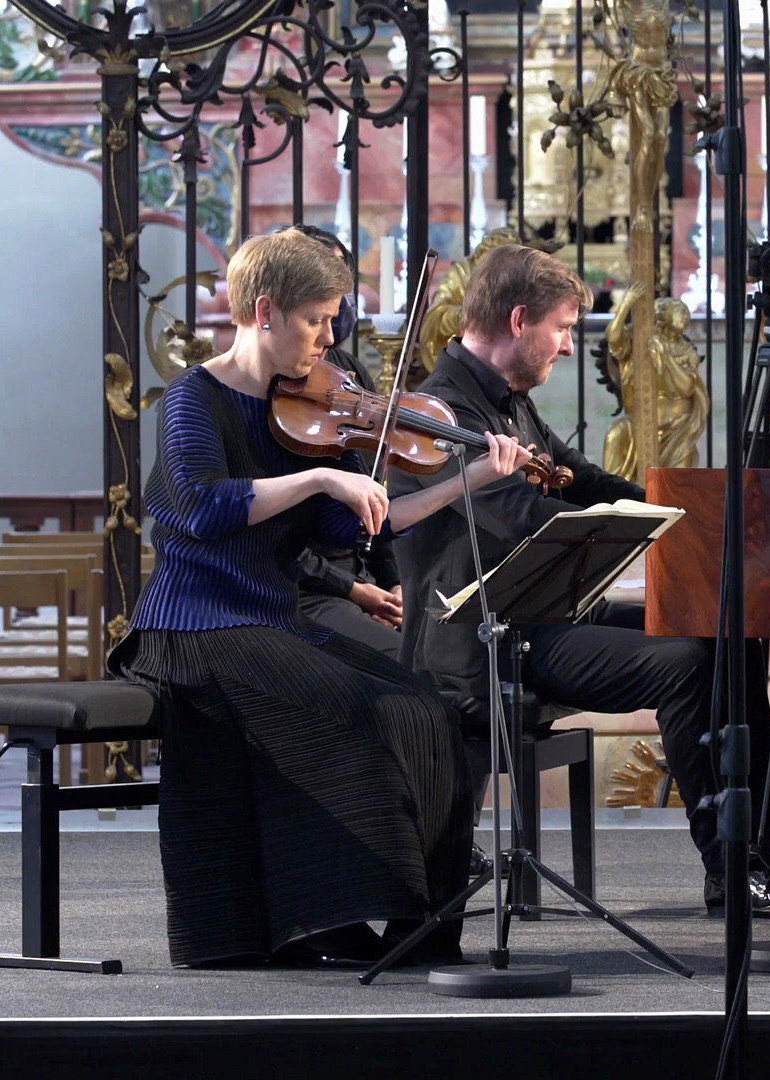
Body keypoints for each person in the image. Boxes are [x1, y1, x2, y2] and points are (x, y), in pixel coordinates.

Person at [109, 228, 530, 968]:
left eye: (333, 320)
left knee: (427, 710)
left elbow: (353, 524)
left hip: (268, 617)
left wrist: (442, 475)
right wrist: (319, 477)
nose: (330, 337)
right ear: (265, 311)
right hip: (195, 623)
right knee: (358, 711)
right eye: (318, 320)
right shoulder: (192, 401)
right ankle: (331, 912)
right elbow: (203, 508)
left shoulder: (312, 407)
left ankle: (422, 929)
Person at [391, 244, 770, 914]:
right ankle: (729, 869)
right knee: (689, 663)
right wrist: (622, 528)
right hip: (483, 643)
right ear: (520, 320)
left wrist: (680, 518)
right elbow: (521, 516)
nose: (570, 347)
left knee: (727, 632)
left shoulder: (509, 404)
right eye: (564, 328)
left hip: (544, 619)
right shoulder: (439, 415)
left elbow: (580, 476)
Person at [285, 224, 406, 659]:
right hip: (305, 588)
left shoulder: (347, 371)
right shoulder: (271, 387)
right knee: (416, 672)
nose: (330, 331)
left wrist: (391, 580)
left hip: (354, 578)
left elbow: (373, 485)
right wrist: (356, 591)